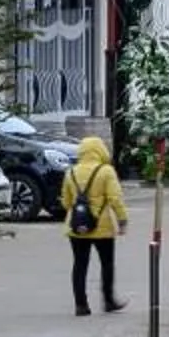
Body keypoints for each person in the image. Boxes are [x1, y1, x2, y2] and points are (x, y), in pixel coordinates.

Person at [63, 134, 127, 317]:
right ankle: (108, 300)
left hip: (76, 226)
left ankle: (81, 305)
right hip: (102, 227)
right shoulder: (106, 171)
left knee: (79, 264)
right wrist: (122, 219)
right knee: (107, 263)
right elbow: (115, 198)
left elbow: (66, 201)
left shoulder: (71, 172)